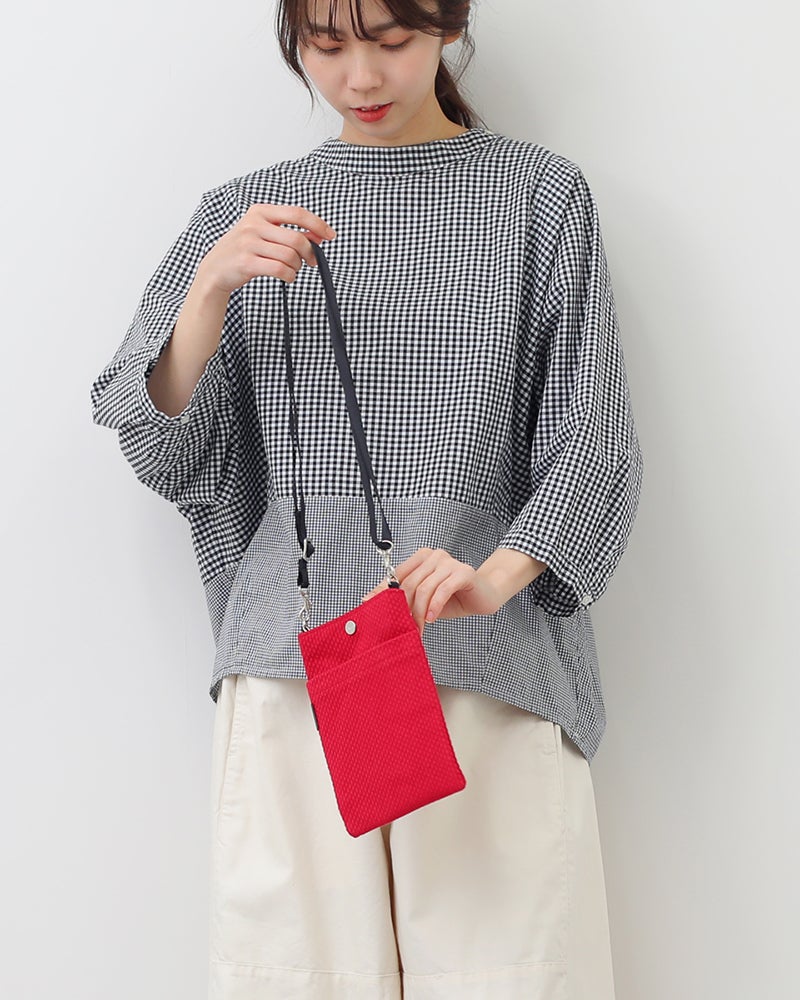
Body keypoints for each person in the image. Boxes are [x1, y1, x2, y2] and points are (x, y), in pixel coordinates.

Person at [90, 1, 644, 996]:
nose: (359, 78)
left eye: (390, 42)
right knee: (299, 980)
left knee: (509, 978)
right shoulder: (245, 214)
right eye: (327, 45)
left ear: (448, 27)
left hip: (483, 664)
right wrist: (210, 290)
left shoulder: (537, 195)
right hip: (295, 668)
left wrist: (493, 577)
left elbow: (591, 433)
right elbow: (166, 445)